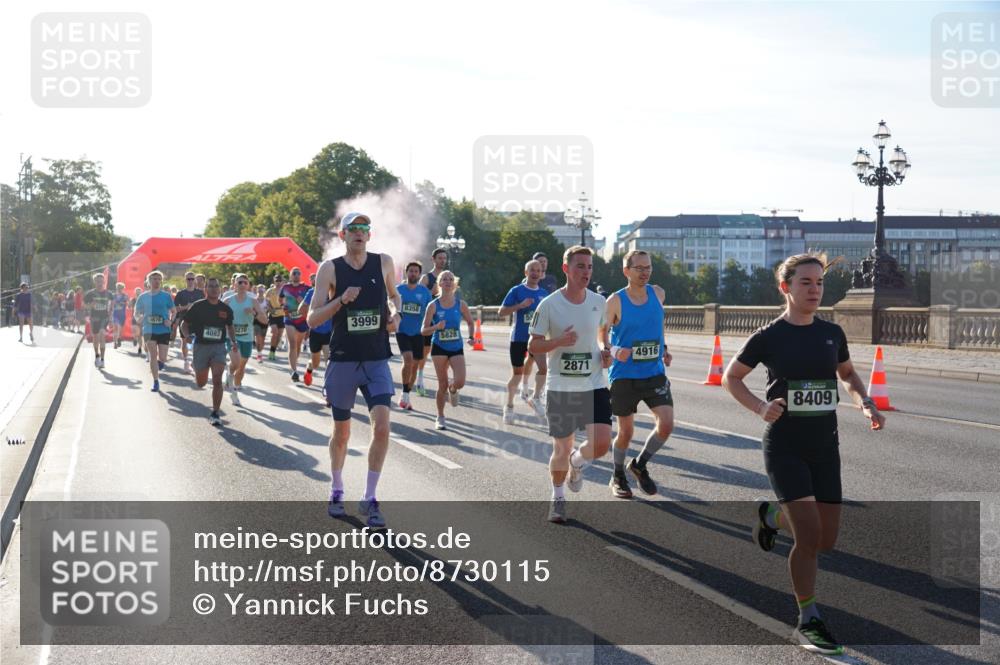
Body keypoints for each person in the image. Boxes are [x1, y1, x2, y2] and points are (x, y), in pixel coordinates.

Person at [722, 252, 886, 656]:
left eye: (819, 283)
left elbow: (847, 374)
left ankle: (773, 517)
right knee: (809, 536)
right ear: (786, 287)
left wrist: (865, 402)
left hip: (825, 446)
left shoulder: (831, 333)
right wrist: (760, 407)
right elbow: (731, 377)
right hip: (785, 446)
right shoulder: (769, 336)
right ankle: (808, 620)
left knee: (826, 540)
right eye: (805, 283)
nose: (815, 290)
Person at [307, 212, 400, 528]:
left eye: (364, 228)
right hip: (343, 360)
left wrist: (396, 314)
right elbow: (312, 319)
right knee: (342, 432)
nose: (359, 233)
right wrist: (341, 301)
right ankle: (336, 489)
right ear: (342, 235)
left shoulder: (383, 262)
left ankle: (370, 498)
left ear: (369, 235)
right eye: (353, 229)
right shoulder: (330, 269)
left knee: (382, 427)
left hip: (376, 358)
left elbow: (394, 296)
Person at [528, 246, 613, 524]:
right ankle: (557, 496)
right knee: (561, 448)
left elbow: (602, 333)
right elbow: (534, 345)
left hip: (594, 382)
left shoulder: (599, 302)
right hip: (561, 386)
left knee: (601, 444)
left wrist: (605, 350)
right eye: (580, 266)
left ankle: (577, 463)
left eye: (589, 266)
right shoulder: (549, 304)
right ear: (566, 268)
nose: (586, 272)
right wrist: (558, 342)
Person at [601, 250, 674, 499]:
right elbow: (601, 333)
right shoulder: (615, 300)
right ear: (626, 271)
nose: (645, 272)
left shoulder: (658, 293)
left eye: (648, 267)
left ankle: (639, 465)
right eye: (639, 268)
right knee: (626, 432)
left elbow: (657, 324)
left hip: (654, 372)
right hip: (624, 375)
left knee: (666, 425)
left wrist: (664, 348)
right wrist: (614, 350)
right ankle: (618, 475)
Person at [420, 271, 475, 430]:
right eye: (444, 279)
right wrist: (436, 327)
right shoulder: (433, 305)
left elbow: (470, 322)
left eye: (451, 279)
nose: (448, 281)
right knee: (442, 384)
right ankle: (440, 416)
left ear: (455, 284)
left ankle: (453, 388)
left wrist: (471, 336)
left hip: (456, 346)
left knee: (460, 381)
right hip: (439, 347)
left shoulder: (461, 304)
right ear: (439, 283)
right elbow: (423, 330)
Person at [184, 277, 239, 426]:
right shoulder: (198, 306)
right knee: (201, 383)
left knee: (217, 379)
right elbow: (185, 324)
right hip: (201, 347)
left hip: (218, 347)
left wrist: (233, 341)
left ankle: (215, 413)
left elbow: (230, 327)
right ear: (205, 289)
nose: (214, 289)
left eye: (216, 286)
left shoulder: (225, 309)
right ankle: (198, 368)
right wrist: (187, 335)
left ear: (220, 289)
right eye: (211, 286)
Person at [499, 259, 549, 424]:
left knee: (543, 369)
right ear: (526, 272)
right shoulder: (517, 290)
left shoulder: (544, 294)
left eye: (538, 270)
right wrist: (520, 305)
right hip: (519, 338)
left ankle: (536, 397)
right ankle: (509, 406)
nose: (535, 273)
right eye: (532, 270)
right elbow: (501, 312)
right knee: (517, 374)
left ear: (541, 274)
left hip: (536, 338)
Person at [394, 261, 432, 410]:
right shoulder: (398, 290)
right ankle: (404, 393)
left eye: (416, 271)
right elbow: (390, 305)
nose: (413, 274)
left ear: (419, 274)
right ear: (406, 272)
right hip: (402, 331)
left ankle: (407, 395)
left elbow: (431, 311)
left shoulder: (425, 292)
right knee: (408, 359)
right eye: (411, 271)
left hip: (418, 333)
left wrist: (434, 326)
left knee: (415, 366)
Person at [134, 271, 176, 391]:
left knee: (162, 358)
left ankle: (158, 365)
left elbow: (174, 311)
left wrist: (171, 321)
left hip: (163, 329)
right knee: (153, 355)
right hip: (149, 329)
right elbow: (136, 312)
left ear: (161, 281)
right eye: (154, 279)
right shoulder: (143, 297)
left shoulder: (166, 296)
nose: (156, 281)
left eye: (158, 279)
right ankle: (156, 381)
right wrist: (138, 318)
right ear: (149, 281)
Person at [415, 248, 449, 395]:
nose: (443, 260)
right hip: (428, 320)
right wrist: (432, 292)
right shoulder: (426, 278)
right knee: (425, 351)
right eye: (440, 258)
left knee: (446, 352)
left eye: (444, 258)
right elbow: (418, 296)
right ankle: (420, 379)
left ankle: (444, 384)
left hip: (443, 321)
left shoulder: (448, 277)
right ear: (433, 259)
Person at [223, 274, 259, 406]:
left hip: (247, 337)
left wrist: (254, 313)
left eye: (245, 282)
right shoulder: (227, 300)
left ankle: (232, 378)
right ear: (235, 285)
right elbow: (219, 316)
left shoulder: (253, 300)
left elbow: (263, 317)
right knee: (237, 362)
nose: (243, 284)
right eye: (240, 282)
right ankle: (233, 392)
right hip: (231, 337)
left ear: (248, 285)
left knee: (241, 365)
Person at [298, 278, 333, 388]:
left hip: (329, 332)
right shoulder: (313, 292)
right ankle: (309, 369)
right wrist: (311, 321)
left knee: (329, 360)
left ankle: (328, 386)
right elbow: (301, 309)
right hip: (316, 332)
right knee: (315, 363)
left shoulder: (335, 291)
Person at [280, 268, 311, 382]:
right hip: (289, 318)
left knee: (298, 345)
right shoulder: (285, 287)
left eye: (298, 273)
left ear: (301, 275)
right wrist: (283, 306)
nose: (296, 275)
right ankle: (294, 371)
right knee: (292, 344)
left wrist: (303, 301)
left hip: (302, 319)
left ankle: (294, 362)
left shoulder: (306, 288)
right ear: (290, 275)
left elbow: (312, 302)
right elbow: (280, 299)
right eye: (294, 273)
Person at [172, 271, 205, 374]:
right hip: (184, 321)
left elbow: (205, 306)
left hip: (197, 321)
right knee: (185, 341)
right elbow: (176, 309)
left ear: (195, 280)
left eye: (192, 279)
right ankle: (186, 361)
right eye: (188, 279)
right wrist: (187, 306)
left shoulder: (200, 293)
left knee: (198, 342)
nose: (190, 281)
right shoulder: (181, 293)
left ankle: (194, 362)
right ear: (185, 280)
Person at [83, 273, 113, 368]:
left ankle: (103, 360)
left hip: (104, 317)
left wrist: (111, 319)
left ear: (104, 282)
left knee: (102, 335)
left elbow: (112, 307)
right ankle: (97, 356)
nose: (100, 283)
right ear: (94, 282)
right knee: (95, 337)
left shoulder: (109, 294)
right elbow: (83, 305)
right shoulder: (90, 293)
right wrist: (90, 305)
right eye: (98, 281)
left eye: (101, 281)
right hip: (94, 318)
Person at [265, 274, 286, 361]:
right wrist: (270, 309)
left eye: (280, 281)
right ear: (274, 281)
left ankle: (273, 351)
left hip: (282, 315)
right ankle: (271, 351)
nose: (278, 282)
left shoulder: (285, 291)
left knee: (279, 336)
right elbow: (266, 302)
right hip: (273, 314)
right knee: (275, 332)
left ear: (282, 281)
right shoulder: (270, 291)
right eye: (277, 281)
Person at [253, 284, 269, 362]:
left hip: (265, 321)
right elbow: (252, 310)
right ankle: (259, 354)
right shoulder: (254, 300)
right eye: (259, 289)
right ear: (257, 290)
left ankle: (260, 352)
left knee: (262, 339)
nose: (260, 291)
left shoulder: (267, 301)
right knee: (258, 337)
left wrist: (269, 309)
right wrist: (255, 314)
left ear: (264, 291)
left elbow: (272, 310)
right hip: (256, 321)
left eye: (262, 290)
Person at [112, 283, 129, 348]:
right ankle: (114, 343)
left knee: (120, 329)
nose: (119, 289)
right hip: (115, 314)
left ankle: (119, 338)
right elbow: (111, 304)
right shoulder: (114, 295)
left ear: (123, 288)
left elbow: (129, 304)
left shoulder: (125, 296)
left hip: (122, 314)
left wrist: (126, 303)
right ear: (116, 288)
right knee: (115, 329)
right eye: (118, 288)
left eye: (121, 288)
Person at [129, 287, 144, 356]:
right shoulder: (133, 299)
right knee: (135, 332)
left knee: (140, 335)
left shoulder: (144, 300)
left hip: (141, 318)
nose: (138, 293)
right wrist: (130, 303)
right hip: (134, 318)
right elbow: (129, 306)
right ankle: (134, 338)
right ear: (135, 293)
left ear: (141, 292)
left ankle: (140, 348)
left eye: (139, 292)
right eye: (137, 292)